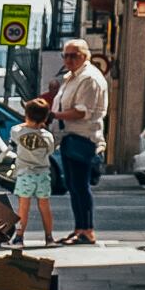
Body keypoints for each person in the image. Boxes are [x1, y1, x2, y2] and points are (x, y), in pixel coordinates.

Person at [47, 39, 109, 244]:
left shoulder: (88, 78)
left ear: (85, 56)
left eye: (73, 55)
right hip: (69, 137)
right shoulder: (72, 77)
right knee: (73, 186)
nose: (68, 59)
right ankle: (79, 228)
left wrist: (54, 115)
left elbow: (82, 112)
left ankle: (87, 229)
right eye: (65, 55)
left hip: (82, 137)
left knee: (80, 186)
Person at [10, 108, 59, 245]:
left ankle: (19, 237)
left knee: (23, 207)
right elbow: (50, 150)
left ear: (26, 116)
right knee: (44, 206)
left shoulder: (18, 132)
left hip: (25, 173)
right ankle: (49, 237)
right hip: (42, 174)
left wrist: (25, 124)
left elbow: (14, 132)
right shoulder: (47, 136)